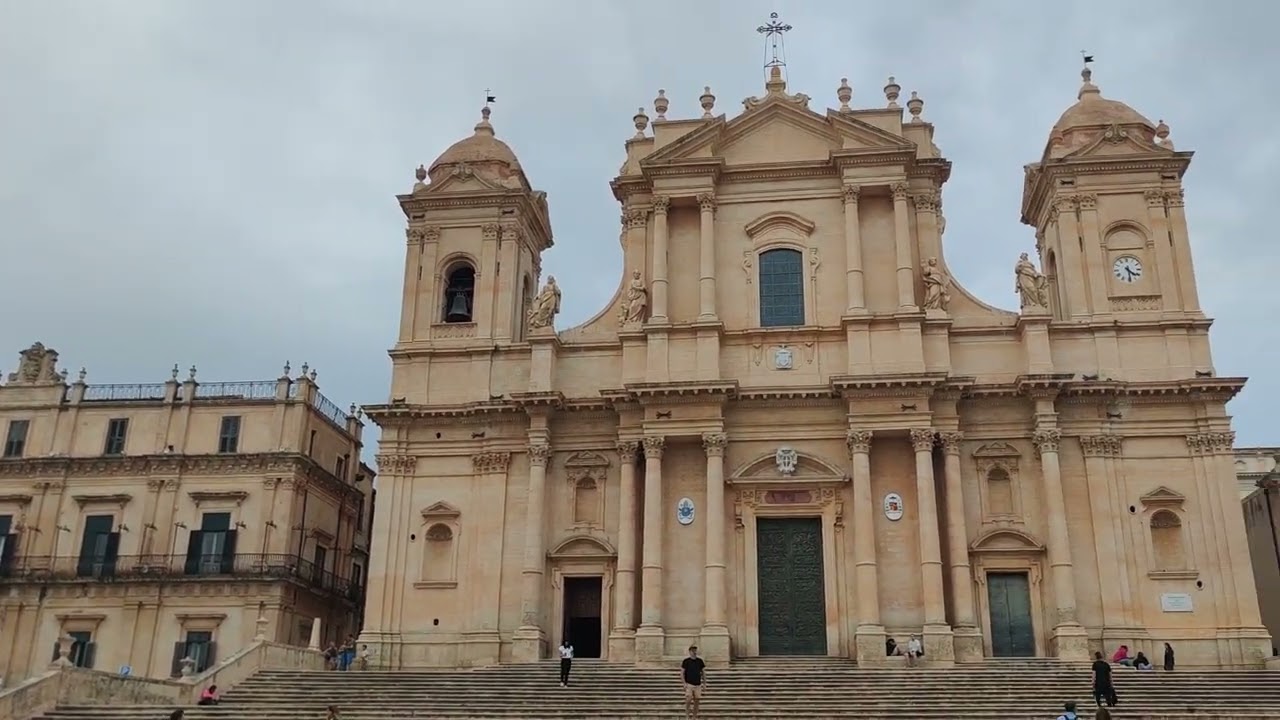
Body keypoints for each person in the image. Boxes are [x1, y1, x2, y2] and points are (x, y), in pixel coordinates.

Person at [681, 645, 706, 720]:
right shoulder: (686, 661)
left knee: (697, 700)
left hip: (698, 684)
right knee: (688, 699)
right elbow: (682, 672)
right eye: (692, 651)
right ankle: (687, 716)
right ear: (689, 652)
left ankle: (694, 716)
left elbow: (703, 672)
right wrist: (684, 683)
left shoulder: (700, 661)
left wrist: (704, 683)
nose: (694, 652)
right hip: (689, 684)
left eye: (695, 650)